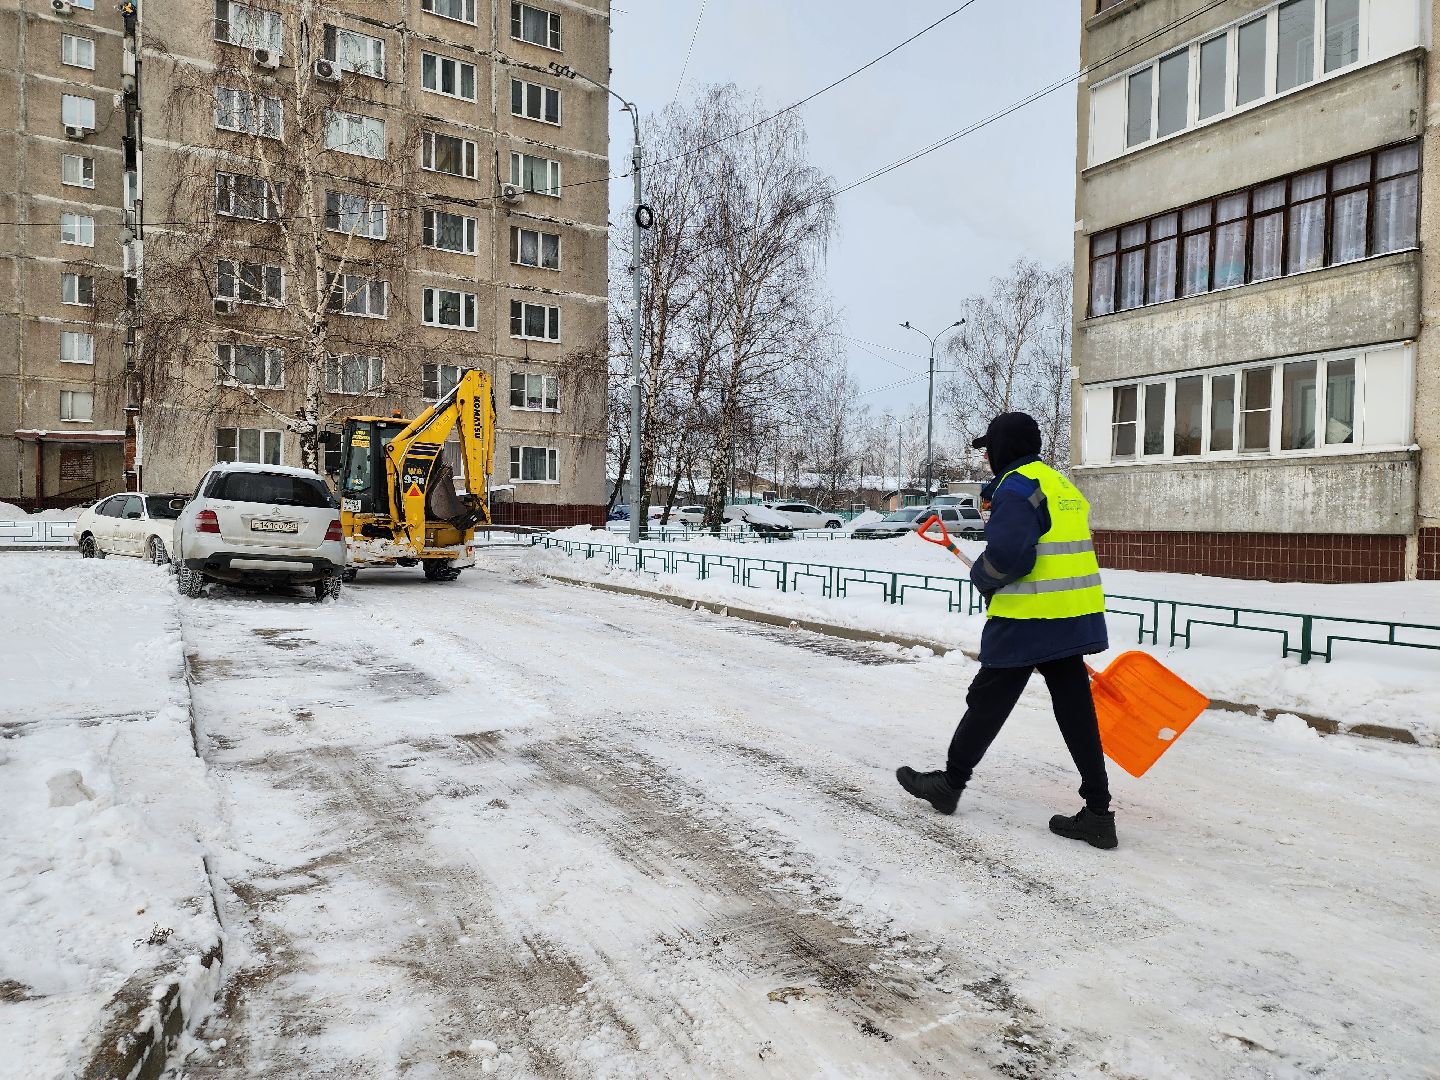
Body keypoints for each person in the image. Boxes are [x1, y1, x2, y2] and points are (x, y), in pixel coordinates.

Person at [895, 411, 1118, 850]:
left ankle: (949, 785)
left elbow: (1011, 556)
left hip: (1027, 619)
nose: (986, 458)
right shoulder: (1058, 484)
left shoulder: (1016, 487)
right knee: (1074, 710)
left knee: (987, 701)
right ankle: (1098, 812)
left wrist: (983, 575)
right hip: (1072, 613)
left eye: (989, 449)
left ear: (1002, 447)